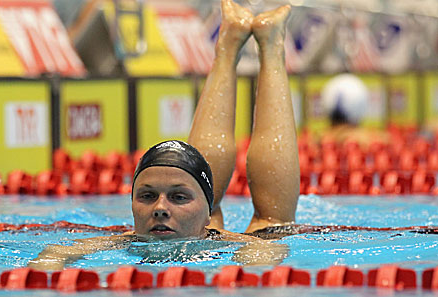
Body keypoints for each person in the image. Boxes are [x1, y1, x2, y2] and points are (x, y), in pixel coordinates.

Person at [28, 0, 299, 270]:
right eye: (146, 196)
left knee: (273, 225)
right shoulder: (120, 241)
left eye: (178, 198)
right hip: (201, 226)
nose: (160, 208)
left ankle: (267, 46)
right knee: (214, 217)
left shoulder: (231, 240)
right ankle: (232, 43)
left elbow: (266, 256)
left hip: (218, 232)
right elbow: (54, 254)